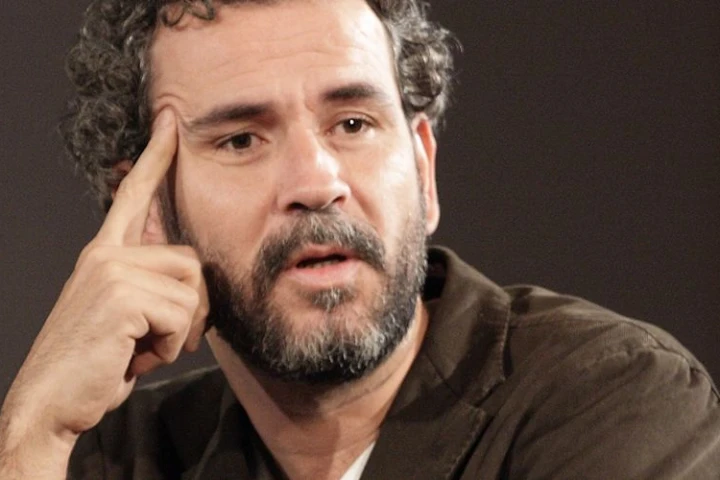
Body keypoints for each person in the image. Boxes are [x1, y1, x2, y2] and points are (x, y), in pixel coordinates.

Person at [1, 0, 718, 478]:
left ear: (423, 170)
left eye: (352, 124)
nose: (317, 182)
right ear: (149, 209)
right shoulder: (109, 459)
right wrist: (30, 436)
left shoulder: (611, 401)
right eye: (242, 139)